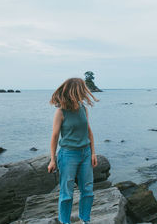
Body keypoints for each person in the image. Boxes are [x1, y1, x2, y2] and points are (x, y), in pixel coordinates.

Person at [48, 78, 99, 224]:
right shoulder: (60, 112)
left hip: (85, 154)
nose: (84, 93)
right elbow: (55, 136)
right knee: (66, 194)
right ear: (74, 91)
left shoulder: (83, 108)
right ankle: (65, 222)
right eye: (82, 90)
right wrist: (52, 159)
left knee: (88, 190)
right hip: (68, 155)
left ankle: (85, 220)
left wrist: (93, 152)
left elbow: (89, 131)